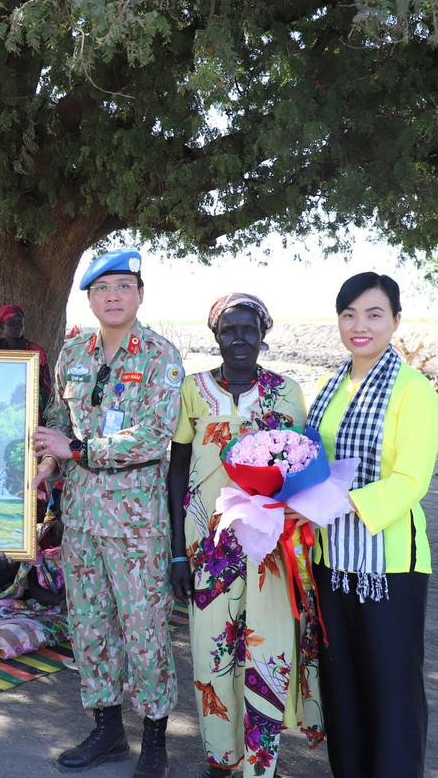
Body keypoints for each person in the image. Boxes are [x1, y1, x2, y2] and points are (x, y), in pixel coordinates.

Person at [31, 249, 183, 778]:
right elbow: (57, 418)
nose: (113, 296)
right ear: (90, 299)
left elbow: (155, 435)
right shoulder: (74, 352)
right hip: (81, 519)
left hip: (136, 524)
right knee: (90, 626)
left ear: (140, 294)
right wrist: (49, 460)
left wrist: (77, 450)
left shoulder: (160, 356)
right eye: (102, 288)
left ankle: (155, 738)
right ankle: (108, 729)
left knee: (145, 630)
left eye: (123, 286)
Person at [167, 293, 323, 778]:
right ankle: (220, 760)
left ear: (263, 334)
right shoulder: (193, 390)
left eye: (248, 329)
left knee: (267, 651)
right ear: (215, 336)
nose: (239, 338)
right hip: (207, 547)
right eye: (229, 330)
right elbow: (177, 471)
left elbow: (303, 466)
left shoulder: (288, 392)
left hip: (269, 547)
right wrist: (178, 554)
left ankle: (261, 765)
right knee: (212, 655)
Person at [306, 273, 438, 778]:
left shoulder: (414, 390)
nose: (359, 325)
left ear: (396, 321)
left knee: (391, 689)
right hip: (330, 561)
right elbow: (310, 461)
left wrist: (336, 502)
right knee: (342, 686)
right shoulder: (328, 386)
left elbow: (411, 480)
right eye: (349, 314)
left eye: (373, 314)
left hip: (389, 565)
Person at [0, 304, 54, 417]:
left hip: (31, 408)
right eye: (11, 323)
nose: (17, 326)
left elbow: (46, 385)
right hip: (2, 404)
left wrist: (46, 416)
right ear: (2, 326)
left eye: (20, 323)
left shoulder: (35, 350)